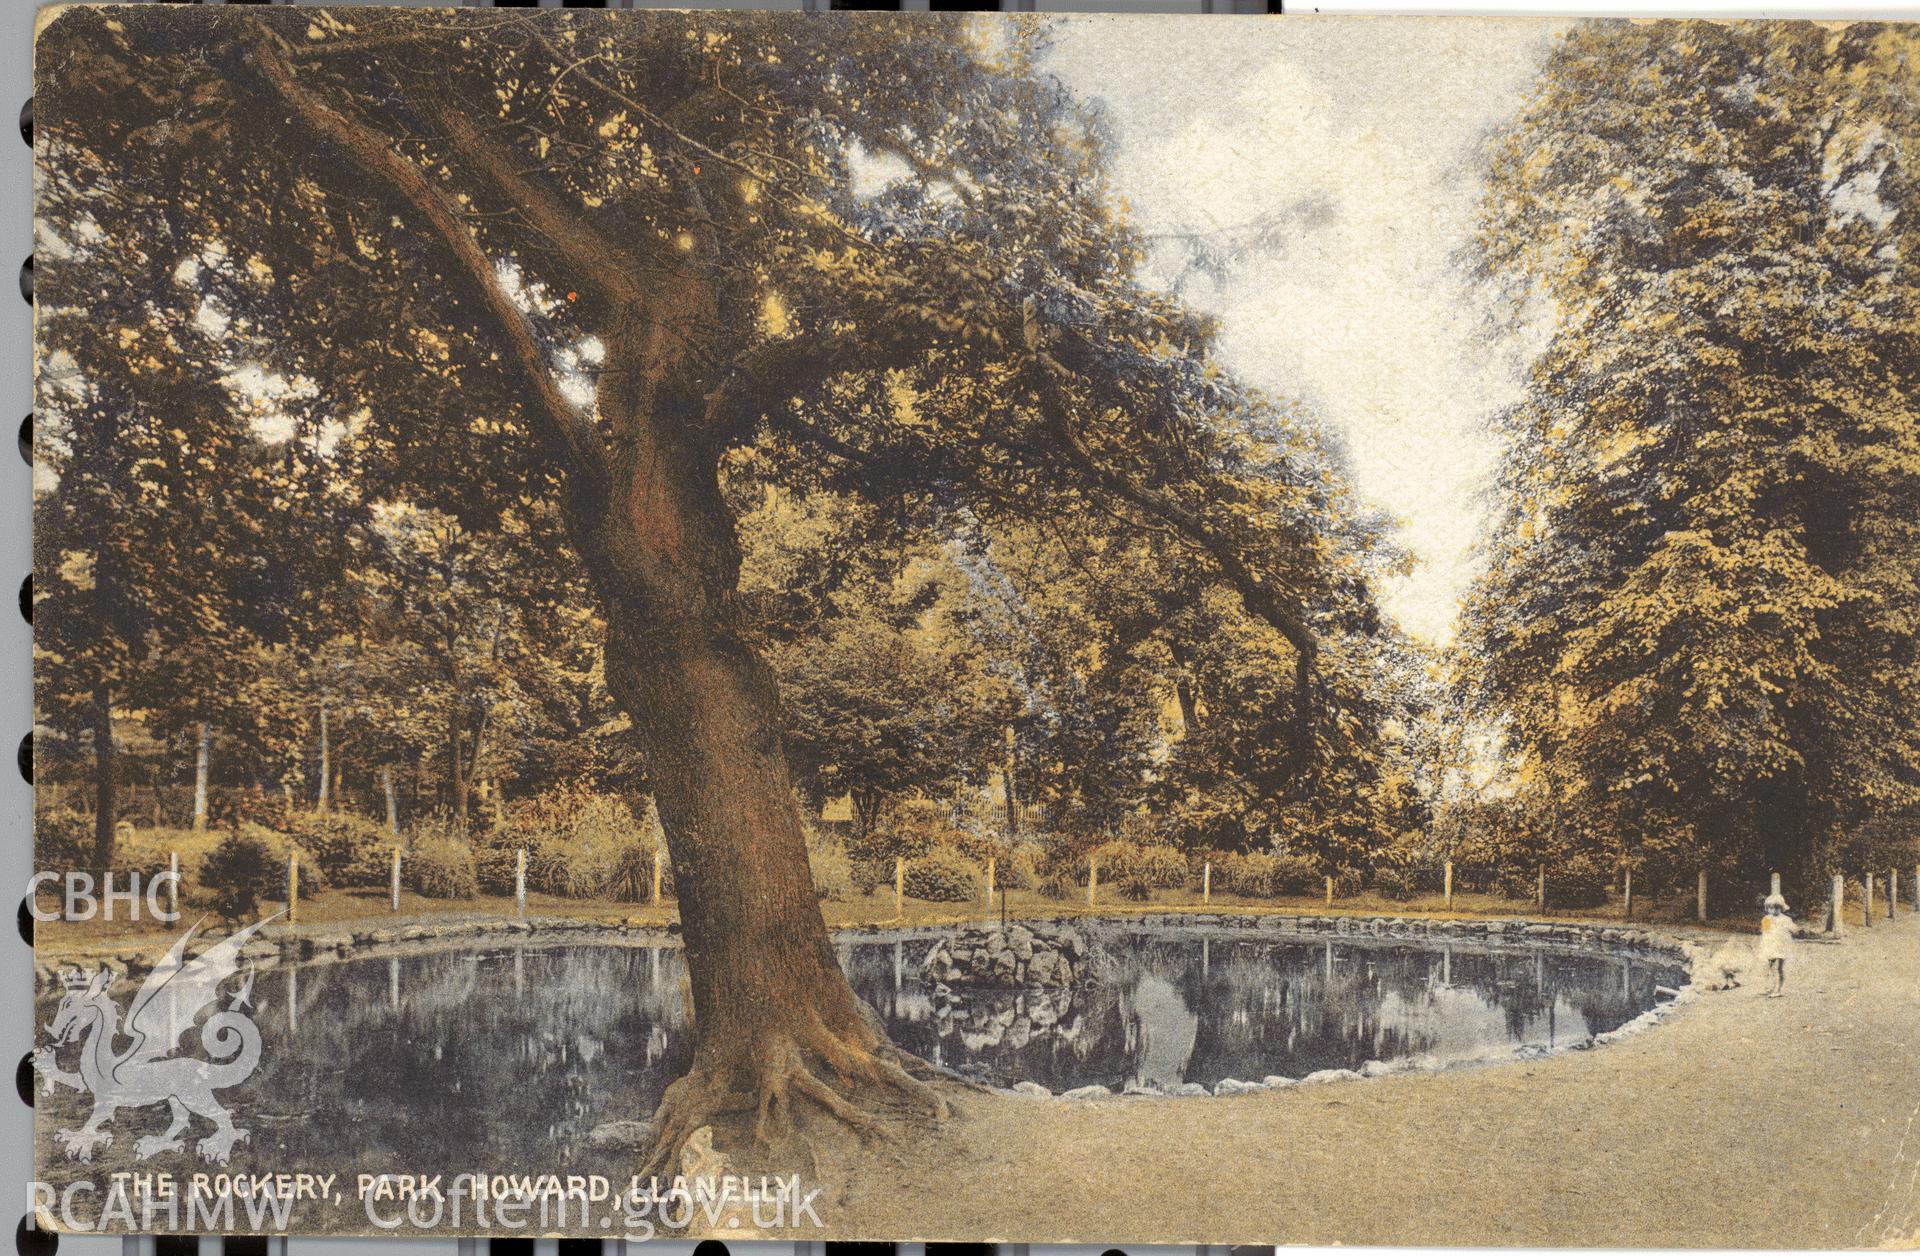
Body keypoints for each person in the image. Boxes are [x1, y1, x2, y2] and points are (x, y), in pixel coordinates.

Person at [1755, 893, 1800, 998]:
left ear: (1781, 908)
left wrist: (1795, 931)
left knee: (1779, 968)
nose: (1774, 910)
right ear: (1767, 908)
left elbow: (1794, 929)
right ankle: (1769, 987)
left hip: (1781, 946)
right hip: (1770, 946)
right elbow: (1764, 932)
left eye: (1777, 908)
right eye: (1771, 908)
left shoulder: (1785, 919)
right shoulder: (1766, 919)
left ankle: (1777, 989)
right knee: (1769, 967)